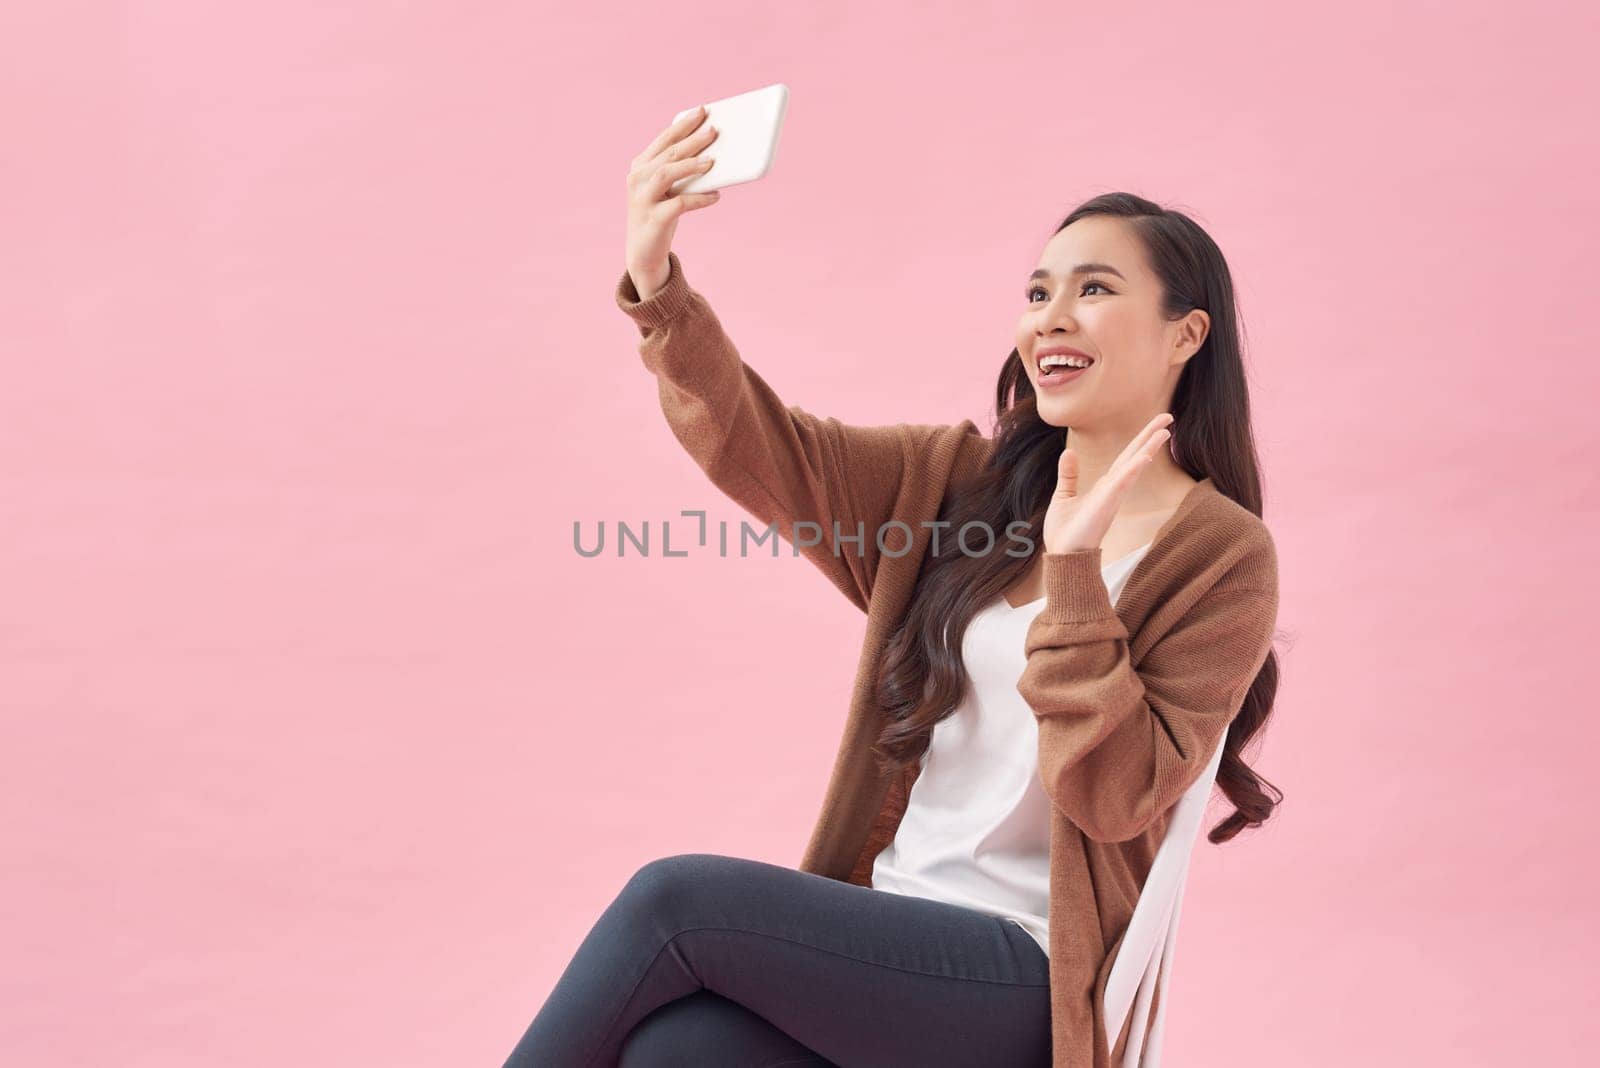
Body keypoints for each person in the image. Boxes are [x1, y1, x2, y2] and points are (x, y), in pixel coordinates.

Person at [501, 107, 1282, 1068]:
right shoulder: (958, 489)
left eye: (1094, 289)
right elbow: (765, 449)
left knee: (676, 902)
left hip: (1025, 980)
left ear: (1184, 335)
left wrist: (1077, 579)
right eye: (1038, 292)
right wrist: (658, 286)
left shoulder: (1221, 556)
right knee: (678, 1049)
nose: (1052, 316)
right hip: (891, 940)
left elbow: (1118, 796)